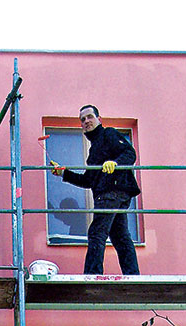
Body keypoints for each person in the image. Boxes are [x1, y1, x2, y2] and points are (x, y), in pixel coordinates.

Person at [51, 104, 141, 275]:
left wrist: (115, 163)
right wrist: (64, 173)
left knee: (97, 232)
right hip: (113, 193)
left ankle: (92, 275)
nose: (86, 121)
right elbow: (88, 180)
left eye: (89, 117)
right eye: (82, 120)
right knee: (120, 236)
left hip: (112, 192)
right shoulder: (94, 151)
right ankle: (132, 275)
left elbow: (130, 153)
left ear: (100, 119)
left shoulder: (109, 134)